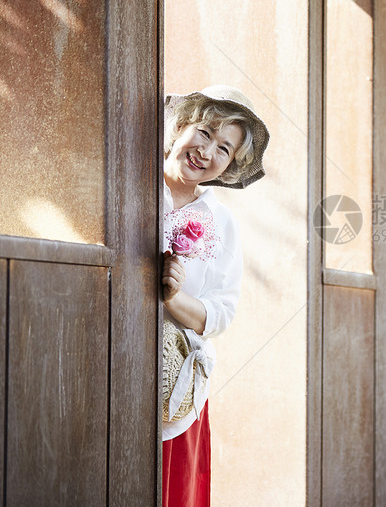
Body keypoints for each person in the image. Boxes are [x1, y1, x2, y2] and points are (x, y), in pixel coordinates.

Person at [160, 85, 269, 506]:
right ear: (181, 125)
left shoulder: (220, 222)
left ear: (229, 165)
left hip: (173, 387)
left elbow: (222, 311)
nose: (207, 151)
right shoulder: (128, 184)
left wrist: (173, 298)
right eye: (205, 132)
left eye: (224, 148)